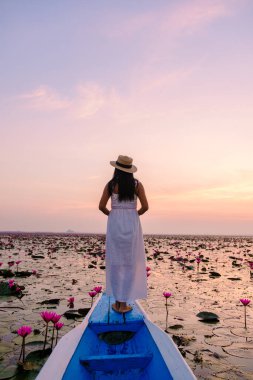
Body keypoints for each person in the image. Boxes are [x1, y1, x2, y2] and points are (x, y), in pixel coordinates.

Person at [99, 155, 149, 313]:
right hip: (131, 225)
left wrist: (113, 215)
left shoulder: (110, 185)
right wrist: (133, 215)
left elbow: (101, 206)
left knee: (115, 263)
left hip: (115, 225)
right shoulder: (137, 184)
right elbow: (145, 207)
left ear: (116, 168)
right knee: (130, 263)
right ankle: (124, 303)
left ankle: (118, 302)